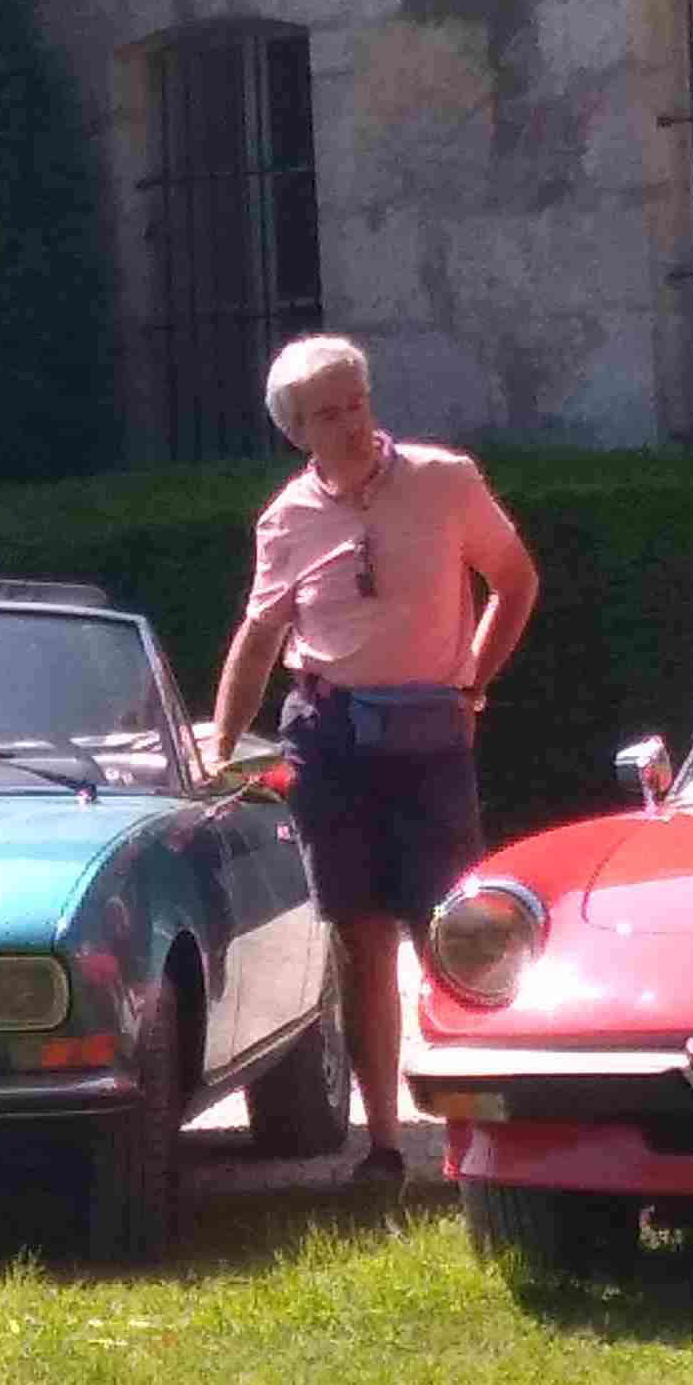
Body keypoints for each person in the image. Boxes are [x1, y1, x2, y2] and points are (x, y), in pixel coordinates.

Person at [198, 335, 541, 1188]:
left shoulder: (444, 479)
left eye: (358, 401)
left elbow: (516, 580)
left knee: (454, 935)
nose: (352, 422)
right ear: (296, 431)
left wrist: (471, 684)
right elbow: (259, 636)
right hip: (329, 740)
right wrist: (220, 745)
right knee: (357, 940)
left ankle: (475, 1135)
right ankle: (384, 1142)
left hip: (429, 737)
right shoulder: (286, 517)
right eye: (329, 413)